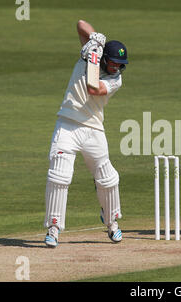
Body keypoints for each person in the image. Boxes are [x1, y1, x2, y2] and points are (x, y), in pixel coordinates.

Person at [43, 20, 128, 247]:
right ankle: (53, 227)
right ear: (104, 57)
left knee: (108, 178)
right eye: (113, 63)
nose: (116, 68)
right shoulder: (94, 53)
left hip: (93, 128)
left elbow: (93, 88)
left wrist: (91, 59)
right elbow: (81, 24)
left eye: (120, 64)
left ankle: (112, 223)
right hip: (67, 124)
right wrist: (95, 39)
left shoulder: (115, 80)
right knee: (59, 175)